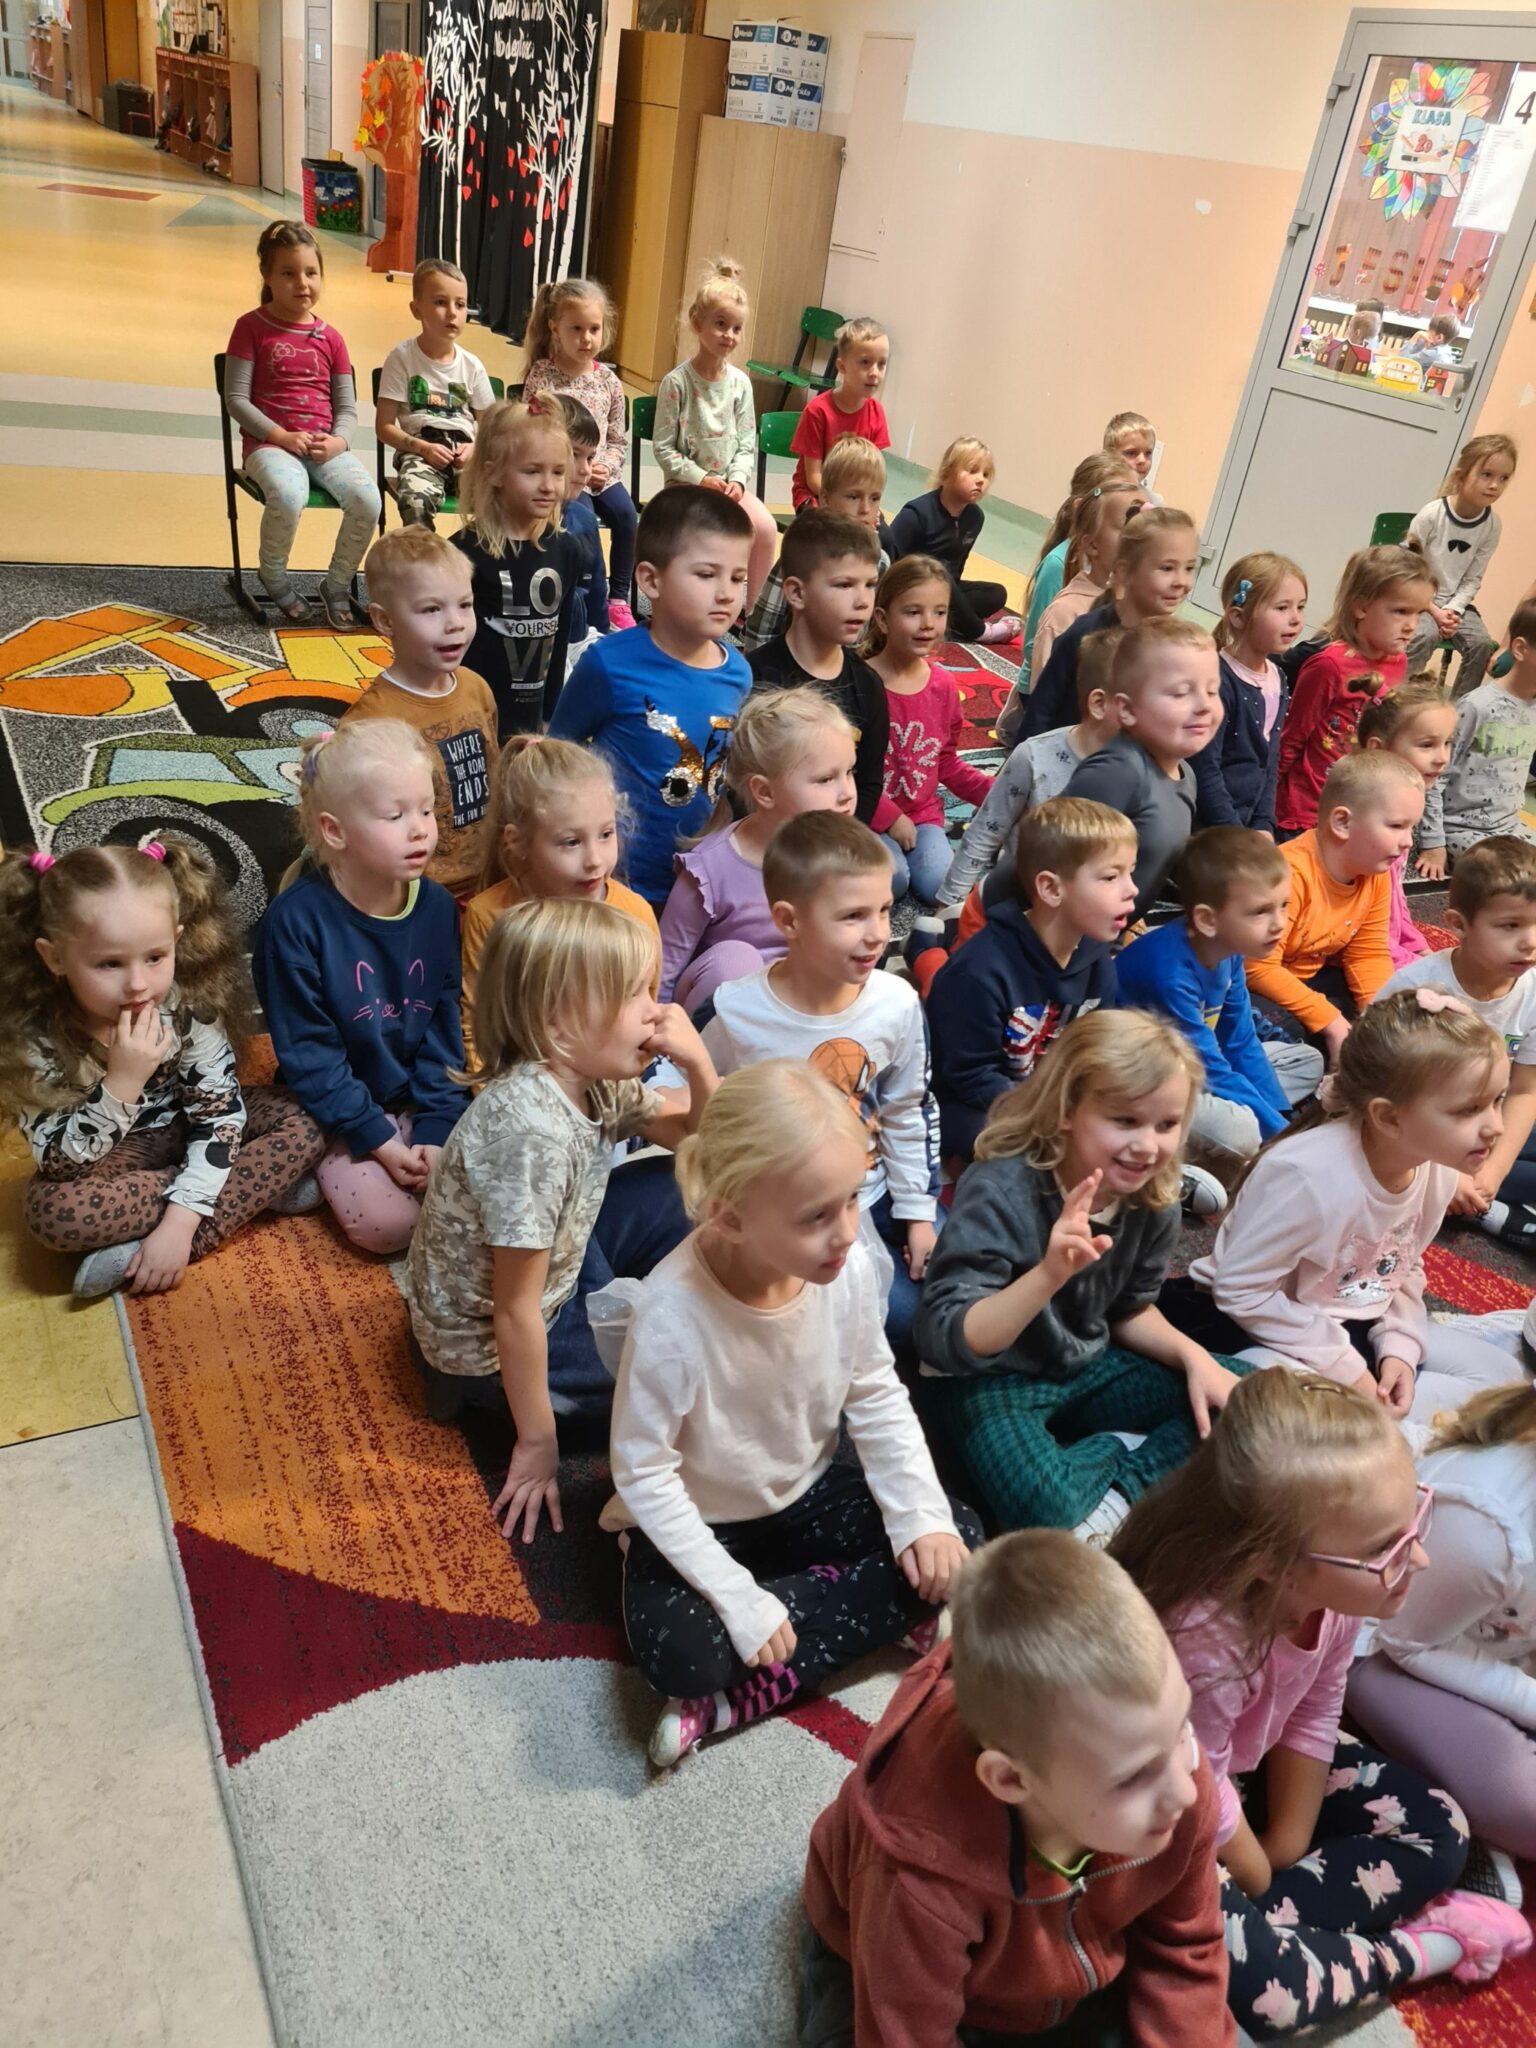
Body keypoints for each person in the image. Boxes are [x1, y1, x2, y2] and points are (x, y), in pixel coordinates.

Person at [1111, 1369, 1529, 2038]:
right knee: (1272, 2000)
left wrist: (1285, 1845)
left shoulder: (1331, 1594)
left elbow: (1314, 1706)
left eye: (1414, 1521)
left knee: (1443, 1829)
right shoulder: (1204, 1638)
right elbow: (1197, 1788)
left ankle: (1243, 1944)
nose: (1420, 1559)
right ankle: (1417, 1948)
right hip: (1169, 1808)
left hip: (1229, 1775)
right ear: (1273, 1563)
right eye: (1385, 1548)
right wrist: (1254, 1874)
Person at [602, 1060, 981, 1767]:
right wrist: (735, 1598)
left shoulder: (845, 1267)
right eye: (817, 1216)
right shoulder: (670, 1318)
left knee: (956, 1536)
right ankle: (841, 1615)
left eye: (853, 1198)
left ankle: (743, 1693)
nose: (848, 1233)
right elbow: (643, 1471)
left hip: (805, 1493)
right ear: (730, 1215)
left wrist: (919, 1515)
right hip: (705, 1520)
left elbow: (874, 1389)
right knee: (682, 1657)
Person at [799, 1531, 1234, 2048]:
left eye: (1181, 1726)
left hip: (1073, 1962)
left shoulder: (1171, 1774)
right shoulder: (920, 1877)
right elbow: (904, 2032)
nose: (1186, 1791)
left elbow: (1187, 1946)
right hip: (887, 1966)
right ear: (1010, 1779)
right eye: (1134, 1777)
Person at [405, 899, 710, 1474]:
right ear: (557, 1023)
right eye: (634, 995)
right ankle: (501, 1407)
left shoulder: (592, 1075)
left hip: (556, 1266)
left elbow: (700, 1142)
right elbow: (514, 1309)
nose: (657, 1013)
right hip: (487, 1347)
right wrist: (537, 1442)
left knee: (683, 1184)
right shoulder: (531, 1133)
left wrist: (699, 1067)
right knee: (668, 1387)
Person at [917, 1008, 1245, 1542]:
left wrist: (1195, 1359)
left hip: (1082, 1363)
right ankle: (1124, 1472)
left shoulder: (1154, 1197)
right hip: (989, 1378)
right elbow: (947, 1340)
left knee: (1251, 1400)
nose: (1148, 1146)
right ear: (1067, 1109)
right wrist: (1048, 1275)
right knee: (1042, 1506)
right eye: (1125, 1121)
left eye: (1166, 1125)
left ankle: (1108, 1494)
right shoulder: (1000, 1188)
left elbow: (1129, 1309)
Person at [1166, 989, 1522, 1431]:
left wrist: (1400, 1347)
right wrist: (1347, 1369)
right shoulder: (1306, 1177)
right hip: (1247, 1325)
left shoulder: (1437, 1168)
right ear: (1388, 1118)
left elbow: (1401, 1265)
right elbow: (1241, 1292)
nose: (1496, 1127)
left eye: (1497, 1100)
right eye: (1469, 1110)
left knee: (1504, 1379)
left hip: (1348, 1318)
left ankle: (1377, 1430)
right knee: (1308, 1418)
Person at [1, 839, 322, 1300]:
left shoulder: (187, 1009)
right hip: (111, 1158)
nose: (138, 984)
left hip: (187, 1128)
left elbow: (218, 1116)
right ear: (54, 958)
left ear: (176, 938)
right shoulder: (36, 1038)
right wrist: (122, 1082)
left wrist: (179, 1227)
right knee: (53, 1213)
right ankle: (252, 1189)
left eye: (155, 957)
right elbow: (61, 1163)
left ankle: (165, 1241)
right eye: (109, 964)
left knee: (307, 1117)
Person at [702, 813, 940, 1354]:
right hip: (792, 1212)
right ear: (789, 921)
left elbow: (909, 1107)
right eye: (853, 916)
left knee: (943, 1303)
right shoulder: (736, 1011)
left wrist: (918, 1213)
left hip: (877, 1191)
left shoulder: (897, 1002)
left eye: (884, 909)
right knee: (877, 1325)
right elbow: (701, 1098)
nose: (878, 933)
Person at [252, 721, 469, 1256]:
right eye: (395, 816)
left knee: (486, 1194)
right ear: (334, 831)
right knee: (390, 1227)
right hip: (333, 1107)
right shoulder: (293, 924)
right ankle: (309, 1167)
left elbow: (444, 1028)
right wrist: (377, 1138)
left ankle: (322, 1177)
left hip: (417, 1098)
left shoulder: (438, 908)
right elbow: (310, 1055)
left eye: (426, 810)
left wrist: (436, 1128)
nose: (420, 831)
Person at [1348, 1380, 1536, 1865]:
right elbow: (1405, 1641)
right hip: (1384, 1644)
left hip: (1486, 1640)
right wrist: (1527, 1700)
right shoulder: (1489, 1526)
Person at [548, 486, 754, 907]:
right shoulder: (608, 664)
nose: (726, 593)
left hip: (696, 886)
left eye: (737, 578)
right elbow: (557, 756)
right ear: (651, 580)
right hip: (614, 884)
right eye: (706, 574)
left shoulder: (739, 672)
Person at [928, 797, 1133, 1161]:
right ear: (1051, 889)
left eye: (1130, 872)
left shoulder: (1098, 960)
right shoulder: (978, 973)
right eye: (1110, 877)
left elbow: (1099, 1050)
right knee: (1029, 1151)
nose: (1132, 889)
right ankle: (925, 950)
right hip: (974, 1103)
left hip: (1050, 1097)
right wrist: (1052, 1116)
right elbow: (971, 1077)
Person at [1117, 828, 1324, 1165]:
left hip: (1196, 1062)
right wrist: (1284, 1142)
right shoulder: (1168, 974)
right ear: (1207, 920)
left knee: (1306, 1061)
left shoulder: (1229, 949)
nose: (1279, 924)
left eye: (1283, 906)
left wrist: (1283, 1122)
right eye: (1260, 911)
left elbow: (1240, 1042)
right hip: (1144, 1083)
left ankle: (1245, 1126)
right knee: (1240, 1132)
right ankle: (1177, 1157)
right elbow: (1209, 1068)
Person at [1376, 837, 1536, 1249]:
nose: (1530, 941)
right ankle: (1482, 1208)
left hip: (1491, 1121)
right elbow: (1377, 1095)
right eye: (1510, 926)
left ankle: (1478, 1201)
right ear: (1458, 924)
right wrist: (1445, 1173)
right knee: (1378, 1157)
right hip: (1421, 1127)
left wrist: (1492, 1173)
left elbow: (1524, 1091)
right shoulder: (1416, 988)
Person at [459, 737, 658, 1062]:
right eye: (571, 842)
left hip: (615, 1076)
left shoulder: (635, 913)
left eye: (606, 834)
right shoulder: (490, 914)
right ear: (517, 842)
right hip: (520, 1080)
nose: (594, 860)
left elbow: (647, 1016)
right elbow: (479, 1027)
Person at [222, 220, 381, 627]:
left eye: (311, 272)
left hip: (325, 446)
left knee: (368, 501)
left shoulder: (332, 339)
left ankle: (337, 584)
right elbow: (235, 399)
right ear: (267, 275)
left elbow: (347, 408)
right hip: (270, 445)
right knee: (289, 495)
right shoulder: (250, 327)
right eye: (288, 273)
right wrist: (280, 436)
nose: (302, 283)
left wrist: (339, 442)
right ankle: (273, 577)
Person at [660, 687, 856, 1013]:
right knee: (735, 959)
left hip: (798, 1009)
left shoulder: (843, 856)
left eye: (849, 772)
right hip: (719, 1019)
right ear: (765, 792)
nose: (847, 792)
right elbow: (664, 972)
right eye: (825, 779)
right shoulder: (710, 870)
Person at [344, 526, 497, 901]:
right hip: (416, 893)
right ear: (385, 621)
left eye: (465, 605)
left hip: (488, 879)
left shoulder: (477, 687)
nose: (455, 623)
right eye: (431, 609)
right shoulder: (370, 722)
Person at [1246, 750, 1423, 1056]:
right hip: (1253, 984)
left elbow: (1367, 954)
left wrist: (1379, 1020)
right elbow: (1256, 967)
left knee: (1396, 1016)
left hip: (1308, 980)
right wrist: (1330, 1022)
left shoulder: (1375, 872)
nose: (1408, 841)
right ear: (1342, 822)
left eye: (1412, 828)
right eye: (1396, 826)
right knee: (1287, 1032)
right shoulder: (1290, 874)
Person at [945, 626, 1125, 923]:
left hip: (1092, 914)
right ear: (1099, 703)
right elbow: (987, 828)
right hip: (1021, 902)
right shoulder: (1035, 756)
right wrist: (950, 904)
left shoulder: (1141, 768)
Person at [1063, 616, 1221, 921]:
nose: (1204, 705)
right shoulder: (1119, 772)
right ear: (1126, 709)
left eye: (1213, 691)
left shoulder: (1186, 775)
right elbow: (1053, 865)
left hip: (1101, 930)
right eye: (1180, 692)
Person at [1275, 543, 1433, 836]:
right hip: (1305, 812)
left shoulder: (1398, 661)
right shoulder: (1329, 666)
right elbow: (1291, 738)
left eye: (1419, 614)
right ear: (1361, 607)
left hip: (1358, 806)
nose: (1412, 626)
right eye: (1400, 611)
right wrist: (1263, 807)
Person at [746, 510, 890, 829]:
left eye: (870, 584)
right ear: (797, 593)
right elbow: (738, 781)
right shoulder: (754, 679)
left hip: (835, 839)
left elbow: (868, 782)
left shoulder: (868, 686)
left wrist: (841, 839)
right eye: (844, 584)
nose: (863, 601)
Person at [452, 399, 586, 736]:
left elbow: (559, 641)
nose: (548, 485)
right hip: (472, 715)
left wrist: (550, 713)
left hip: (532, 718)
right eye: (532, 471)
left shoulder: (568, 549)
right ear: (494, 472)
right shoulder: (462, 553)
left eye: (558, 472)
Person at [865, 556, 994, 905]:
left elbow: (946, 762)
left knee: (940, 886)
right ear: (882, 619)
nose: (928, 624)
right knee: (891, 881)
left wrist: (997, 793)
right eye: (913, 612)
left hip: (923, 816)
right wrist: (890, 818)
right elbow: (848, 771)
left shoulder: (943, 685)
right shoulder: (862, 682)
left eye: (939, 612)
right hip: (865, 814)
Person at [654, 256, 777, 605]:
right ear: (697, 323)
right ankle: (693, 603)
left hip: (728, 489)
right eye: (720, 324)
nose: (729, 335)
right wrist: (701, 478)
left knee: (765, 528)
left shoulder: (740, 384)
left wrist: (737, 480)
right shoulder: (676, 383)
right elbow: (663, 449)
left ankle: (751, 612)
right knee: (706, 534)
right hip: (686, 488)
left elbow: (746, 444)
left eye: (736, 328)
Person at [1018, 505, 1200, 740]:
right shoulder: (1085, 634)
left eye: (1189, 568)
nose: (1181, 581)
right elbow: (1041, 709)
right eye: (1167, 568)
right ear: (1124, 571)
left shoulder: (1177, 647)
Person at [520, 276, 637, 626]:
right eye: (577, 329)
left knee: (626, 515)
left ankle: (619, 597)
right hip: (564, 477)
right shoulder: (543, 375)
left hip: (600, 473)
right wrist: (566, 466)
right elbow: (531, 432)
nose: (587, 338)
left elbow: (617, 439)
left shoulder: (609, 381)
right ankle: (583, 594)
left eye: (594, 329)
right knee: (581, 520)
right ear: (555, 328)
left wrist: (606, 466)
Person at [1007, 452, 1139, 719]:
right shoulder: (1059, 566)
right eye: (1126, 521)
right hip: (1044, 694)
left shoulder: (1128, 590)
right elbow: (1035, 646)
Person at [1190, 550, 1307, 836]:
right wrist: (1235, 834)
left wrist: (1264, 824)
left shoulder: (1278, 677)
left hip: (1247, 830)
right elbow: (1205, 768)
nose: (1295, 619)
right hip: (1210, 831)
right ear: (1239, 617)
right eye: (1282, 608)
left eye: (1301, 607)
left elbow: (1270, 761)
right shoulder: (1217, 679)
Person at [373, 256, 494, 529]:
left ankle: (468, 553)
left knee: (508, 495)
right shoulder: (402, 359)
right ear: (416, 310)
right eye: (440, 302)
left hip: (466, 457)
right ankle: (425, 555)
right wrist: (423, 448)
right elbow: (384, 427)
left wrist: (476, 447)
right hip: (420, 453)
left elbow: (491, 427)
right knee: (415, 501)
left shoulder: (472, 365)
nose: (452, 313)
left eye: (460, 305)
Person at [741, 434, 888, 654]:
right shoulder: (803, 553)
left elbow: (872, 635)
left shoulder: (880, 561)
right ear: (826, 499)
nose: (865, 509)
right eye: (853, 497)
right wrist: (760, 671)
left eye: (874, 498)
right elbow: (762, 625)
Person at [1406, 431, 1516, 695]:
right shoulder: (1432, 515)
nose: (1495, 485)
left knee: (1480, 644)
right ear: (1461, 476)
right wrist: (1433, 609)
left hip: (1455, 605)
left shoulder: (1492, 526)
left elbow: (1473, 578)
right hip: (1418, 598)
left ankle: (1461, 711)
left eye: (1504, 478)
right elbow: (1408, 569)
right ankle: (1395, 701)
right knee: (1424, 635)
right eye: (1486, 474)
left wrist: (1452, 611)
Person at [1356, 677, 1456, 963]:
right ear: (1378, 748)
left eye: (1447, 743)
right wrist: (1414, 964)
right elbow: (1363, 930)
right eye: (1427, 745)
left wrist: (1419, 947)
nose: (1442, 758)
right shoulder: (1371, 826)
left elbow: (1394, 899)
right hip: (1362, 952)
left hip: (1384, 943)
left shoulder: (1400, 808)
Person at [888, 436, 1021, 646]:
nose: (981, 480)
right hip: (910, 589)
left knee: (996, 593)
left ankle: (946, 624)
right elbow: (888, 558)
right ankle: (980, 632)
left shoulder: (975, 517)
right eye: (972, 470)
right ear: (946, 473)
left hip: (946, 593)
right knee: (939, 572)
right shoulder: (917, 513)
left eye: (986, 474)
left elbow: (958, 569)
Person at [1438, 593, 1536, 855]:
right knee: (1515, 873)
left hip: (1509, 828)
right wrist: (1433, 843)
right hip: (1461, 830)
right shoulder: (1476, 706)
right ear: (1520, 649)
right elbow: (1434, 779)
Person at [1028, 469, 1147, 681]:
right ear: (1092, 544)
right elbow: (1045, 693)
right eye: (1129, 525)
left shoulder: (1145, 605)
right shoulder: (1065, 613)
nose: (1142, 537)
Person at [534, 391, 607, 669]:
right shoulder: (520, 523)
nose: (585, 469)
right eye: (575, 455)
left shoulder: (585, 521)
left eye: (590, 458)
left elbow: (597, 595)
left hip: (578, 640)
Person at [788, 315, 891, 511]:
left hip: (857, 501)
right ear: (842, 366)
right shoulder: (817, 411)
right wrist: (845, 504)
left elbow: (873, 475)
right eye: (865, 362)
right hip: (816, 496)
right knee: (827, 527)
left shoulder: (876, 412)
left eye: (881, 364)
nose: (874, 373)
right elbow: (813, 478)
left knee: (884, 531)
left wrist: (864, 505)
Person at [1103, 408, 1163, 505]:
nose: (1142, 460)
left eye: (1148, 453)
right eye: (1131, 453)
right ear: (1108, 455)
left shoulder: (1154, 502)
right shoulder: (1096, 494)